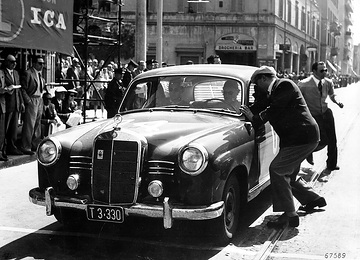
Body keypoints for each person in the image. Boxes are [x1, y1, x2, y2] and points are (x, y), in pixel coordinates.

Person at [240, 66, 326, 228]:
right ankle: (312, 199)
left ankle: (290, 215)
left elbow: (273, 110)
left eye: (256, 84)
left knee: (277, 170)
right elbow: (262, 104)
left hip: (302, 138)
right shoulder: (276, 90)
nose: (256, 88)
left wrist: (254, 118)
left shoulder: (285, 85)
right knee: (289, 175)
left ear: (263, 79)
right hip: (298, 138)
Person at [298, 61, 343, 172]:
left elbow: (333, 95)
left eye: (326, 70)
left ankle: (332, 164)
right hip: (312, 115)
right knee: (316, 140)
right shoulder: (304, 84)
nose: (325, 72)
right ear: (314, 71)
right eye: (321, 70)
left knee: (332, 139)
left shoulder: (328, 82)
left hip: (325, 113)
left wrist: (337, 101)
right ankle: (309, 153)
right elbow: (298, 101)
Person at [20, 55, 48, 155]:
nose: (42, 65)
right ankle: (25, 146)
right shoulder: (28, 73)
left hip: (39, 99)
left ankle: (34, 145)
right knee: (29, 124)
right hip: (32, 98)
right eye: (40, 63)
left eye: (43, 63)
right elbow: (23, 89)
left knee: (37, 124)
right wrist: (28, 101)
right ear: (34, 63)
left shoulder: (40, 74)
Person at [3, 55, 24, 155]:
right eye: (12, 62)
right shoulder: (2, 72)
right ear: (7, 62)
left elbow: (19, 89)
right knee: (5, 128)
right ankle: (4, 148)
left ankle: (12, 146)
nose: (14, 64)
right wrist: (7, 89)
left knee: (14, 128)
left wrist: (21, 102)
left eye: (15, 62)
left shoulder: (16, 73)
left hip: (16, 103)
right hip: (7, 104)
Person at [0, 69, 12, 161]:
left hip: (2, 105)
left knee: (2, 131)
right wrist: (4, 90)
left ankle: (1, 151)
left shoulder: (1, 72)